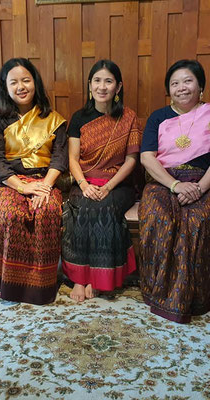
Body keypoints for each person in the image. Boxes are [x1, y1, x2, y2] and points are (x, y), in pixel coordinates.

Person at [139, 59, 210, 323]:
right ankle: (158, 290)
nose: (181, 88)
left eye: (187, 81)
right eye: (174, 83)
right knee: (159, 218)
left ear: (201, 86)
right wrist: (174, 185)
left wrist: (199, 188)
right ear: (169, 89)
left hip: (204, 182)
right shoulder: (159, 117)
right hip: (164, 182)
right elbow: (146, 157)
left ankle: (197, 295)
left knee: (196, 221)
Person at [0, 58, 67, 305]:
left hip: (45, 180)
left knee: (46, 211)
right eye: (14, 82)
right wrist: (23, 186)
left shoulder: (54, 119)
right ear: (5, 87)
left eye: (26, 80)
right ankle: (7, 283)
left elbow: (60, 157)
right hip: (10, 182)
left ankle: (41, 287)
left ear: (35, 83)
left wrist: (44, 187)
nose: (21, 86)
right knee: (12, 214)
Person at [61, 59, 142, 302]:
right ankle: (79, 277)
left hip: (118, 184)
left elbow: (131, 160)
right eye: (97, 80)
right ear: (90, 85)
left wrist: (108, 186)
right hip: (85, 181)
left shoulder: (128, 117)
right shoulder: (79, 117)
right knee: (83, 207)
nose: (102, 86)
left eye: (108, 81)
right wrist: (84, 185)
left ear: (118, 87)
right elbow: (73, 159)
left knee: (104, 207)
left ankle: (99, 279)